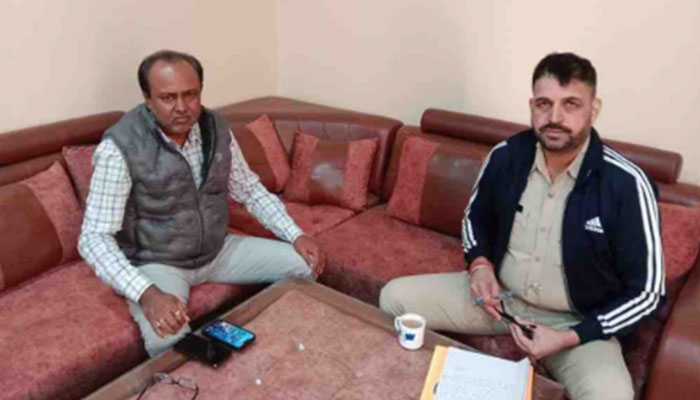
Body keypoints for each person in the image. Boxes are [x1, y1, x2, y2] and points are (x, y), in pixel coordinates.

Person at [379, 52, 663, 400]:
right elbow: (474, 218)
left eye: (571, 104)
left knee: (611, 396)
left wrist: (571, 336)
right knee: (394, 298)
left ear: (594, 108)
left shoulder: (626, 183)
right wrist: (479, 266)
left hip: (575, 322)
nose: (555, 117)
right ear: (532, 106)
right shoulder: (506, 156)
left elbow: (647, 293)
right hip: (499, 301)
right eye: (544, 104)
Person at [78, 49, 325, 357]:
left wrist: (295, 234)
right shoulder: (120, 147)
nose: (182, 107)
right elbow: (94, 237)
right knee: (168, 339)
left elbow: (248, 189)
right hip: (158, 262)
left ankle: (282, 353)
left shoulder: (216, 128)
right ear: (148, 99)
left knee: (305, 265)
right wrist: (146, 293)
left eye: (191, 95)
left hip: (218, 250)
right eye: (168, 98)